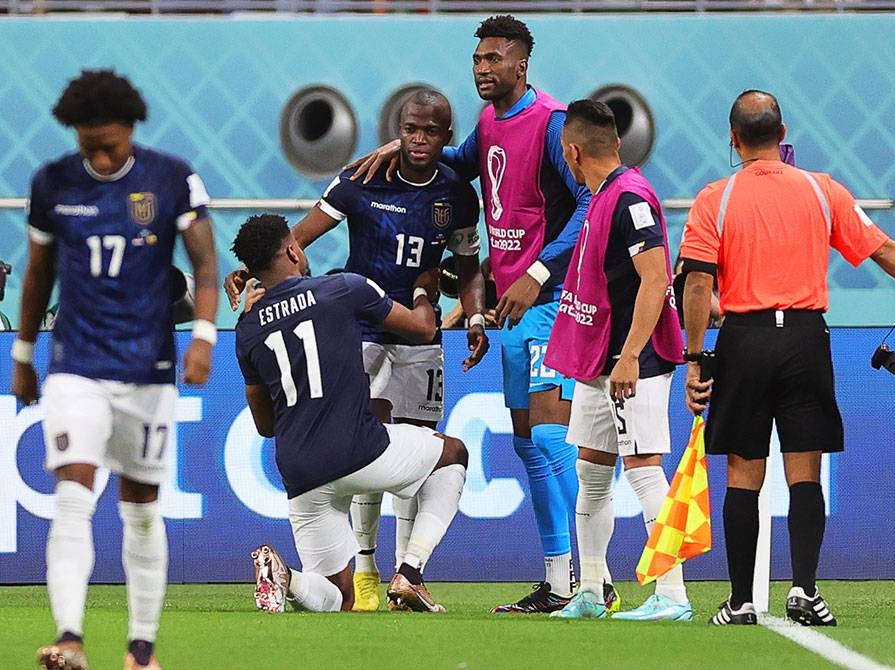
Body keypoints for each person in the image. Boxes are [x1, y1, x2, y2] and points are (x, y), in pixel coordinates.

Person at [679, 90, 895, 626]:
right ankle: (804, 590)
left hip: (745, 339)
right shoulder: (822, 190)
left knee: (742, 473)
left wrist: (693, 358)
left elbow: (696, 285)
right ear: (784, 136)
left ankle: (741, 602)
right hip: (805, 338)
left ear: (733, 141)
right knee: (806, 468)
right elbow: (886, 251)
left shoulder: (716, 197)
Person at [351, 14, 610, 614]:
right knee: (526, 445)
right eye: (477, 60)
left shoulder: (550, 123)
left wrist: (539, 272)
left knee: (549, 438)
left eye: (494, 59)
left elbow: (592, 201)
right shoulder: (491, 122)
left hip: (552, 301)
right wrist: (400, 147)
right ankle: (558, 582)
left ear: (522, 63)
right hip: (514, 310)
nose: (482, 69)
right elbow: (456, 162)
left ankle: (591, 578)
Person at [225, 89, 487, 612]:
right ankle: (369, 570)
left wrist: (476, 314)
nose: (418, 140)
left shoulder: (459, 195)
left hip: (418, 342)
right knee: (380, 436)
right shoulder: (360, 180)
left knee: (415, 444)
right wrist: (258, 270)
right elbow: (297, 236)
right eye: (410, 129)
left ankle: (393, 574)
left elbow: (469, 264)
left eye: (430, 132)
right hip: (364, 326)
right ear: (398, 127)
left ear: (446, 138)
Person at [11, 70, 219, 670]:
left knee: (142, 510)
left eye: (110, 145)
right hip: (76, 361)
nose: (100, 157)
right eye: (88, 147)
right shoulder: (52, 182)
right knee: (73, 495)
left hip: (149, 367)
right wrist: (24, 355)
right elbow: (38, 275)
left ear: (131, 130)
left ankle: (141, 649)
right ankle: (70, 638)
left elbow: (204, 266)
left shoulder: (171, 177)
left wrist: (203, 337)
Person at [232, 214, 468, 615]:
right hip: (361, 450)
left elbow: (265, 426)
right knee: (453, 454)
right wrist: (424, 291)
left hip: (301, 471)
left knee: (338, 597)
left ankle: (285, 576)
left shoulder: (247, 329)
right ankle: (411, 571)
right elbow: (422, 329)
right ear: (292, 250)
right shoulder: (342, 288)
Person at [542, 100, 691, 621]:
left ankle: (672, 594)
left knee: (645, 471)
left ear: (572, 151)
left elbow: (656, 278)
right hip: (598, 358)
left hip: (635, 361)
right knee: (591, 472)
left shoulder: (629, 199)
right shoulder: (605, 195)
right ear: (617, 143)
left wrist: (629, 356)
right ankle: (590, 589)